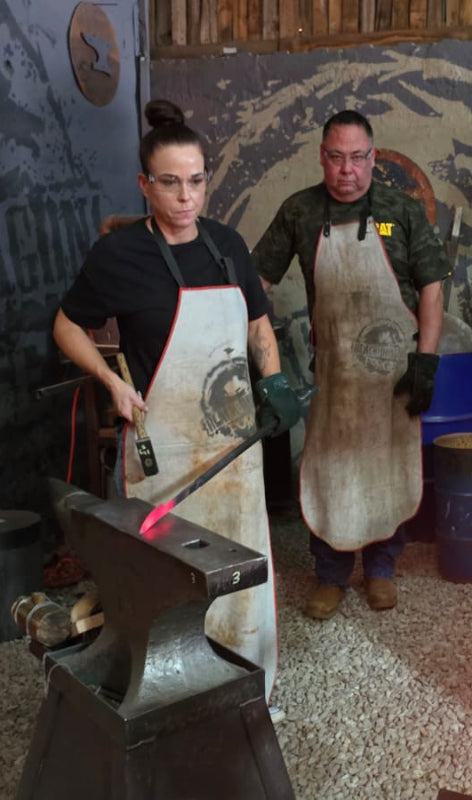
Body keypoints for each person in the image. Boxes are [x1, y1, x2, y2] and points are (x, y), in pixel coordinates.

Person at [52, 99, 302, 705]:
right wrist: (112, 383)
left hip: (232, 444)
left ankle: (248, 688)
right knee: (166, 575)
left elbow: (259, 326)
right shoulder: (118, 257)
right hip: (163, 446)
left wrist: (273, 383)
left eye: (196, 182)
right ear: (145, 185)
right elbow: (65, 325)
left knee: (241, 564)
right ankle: (170, 696)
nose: (185, 197)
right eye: (169, 183)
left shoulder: (227, 246)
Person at [252, 109, 451, 620]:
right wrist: (247, 347)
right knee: (332, 472)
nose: (348, 170)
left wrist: (426, 360)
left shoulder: (397, 211)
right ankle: (332, 575)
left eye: (359, 158)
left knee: (390, 469)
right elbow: (257, 285)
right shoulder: (300, 212)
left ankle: (382, 569)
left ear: (372, 157)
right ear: (322, 158)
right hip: (335, 374)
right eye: (337, 158)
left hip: (394, 375)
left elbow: (432, 285)